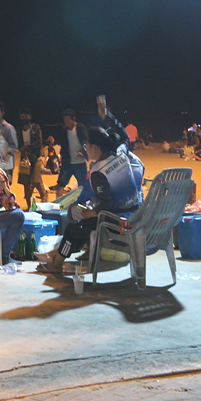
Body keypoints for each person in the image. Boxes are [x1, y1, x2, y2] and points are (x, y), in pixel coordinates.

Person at [35, 102, 144, 274]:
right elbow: (123, 135)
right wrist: (106, 116)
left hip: (119, 221)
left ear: (95, 148)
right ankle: (56, 255)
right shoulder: (121, 154)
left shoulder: (98, 172)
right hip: (135, 212)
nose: (85, 149)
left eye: (86, 146)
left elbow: (105, 205)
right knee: (83, 224)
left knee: (75, 227)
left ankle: (56, 263)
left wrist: (87, 212)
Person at [52, 108, 90, 197]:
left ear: (74, 118)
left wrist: (82, 152)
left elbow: (86, 142)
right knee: (60, 184)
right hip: (67, 163)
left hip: (80, 163)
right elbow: (62, 144)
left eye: (68, 120)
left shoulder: (81, 128)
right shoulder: (63, 130)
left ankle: (83, 203)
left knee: (82, 186)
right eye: (65, 120)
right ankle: (58, 203)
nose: (66, 122)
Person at [17, 108, 48, 208]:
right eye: (22, 117)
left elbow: (39, 143)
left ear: (30, 117)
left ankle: (43, 195)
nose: (24, 118)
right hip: (24, 160)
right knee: (25, 183)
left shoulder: (36, 128)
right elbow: (17, 144)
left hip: (36, 158)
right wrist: (23, 151)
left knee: (35, 180)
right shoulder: (18, 129)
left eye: (26, 116)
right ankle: (29, 205)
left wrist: (26, 148)